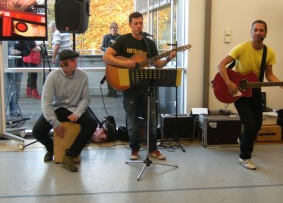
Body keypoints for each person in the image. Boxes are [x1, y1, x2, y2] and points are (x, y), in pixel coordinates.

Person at [217, 20, 283, 170]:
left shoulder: (268, 52)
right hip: (238, 91)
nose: (258, 33)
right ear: (251, 32)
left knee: (257, 125)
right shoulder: (241, 48)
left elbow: (269, 75)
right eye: (255, 30)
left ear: (266, 33)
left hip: (255, 90)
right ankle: (244, 157)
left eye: (261, 30)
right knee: (250, 125)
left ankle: (242, 139)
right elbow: (221, 65)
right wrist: (229, 83)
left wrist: (281, 83)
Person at [103, 11, 176, 160]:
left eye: (141, 23)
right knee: (132, 120)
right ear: (130, 24)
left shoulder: (148, 44)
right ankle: (134, 149)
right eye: (135, 23)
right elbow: (106, 56)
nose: (139, 26)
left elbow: (157, 64)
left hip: (145, 88)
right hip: (129, 87)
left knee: (151, 120)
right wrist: (126, 63)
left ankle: (153, 149)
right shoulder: (123, 40)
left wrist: (168, 58)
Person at [32, 49, 98, 172]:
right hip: (57, 108)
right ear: (63, 63)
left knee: (92, 123)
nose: (76, 63)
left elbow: (86, 98)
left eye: (76, 60)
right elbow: (46, 103)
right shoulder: (52, 77)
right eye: (72, 61)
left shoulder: (82, 75)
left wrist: (77, 113)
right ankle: (52, 148)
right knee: (37, 131)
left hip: (75, 107)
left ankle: (70, 155)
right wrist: (55, 123)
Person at [7, 40, 34, 117]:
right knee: (5, 88)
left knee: (16, 89)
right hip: (4, 66)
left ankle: (13, 109)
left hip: (18, 66)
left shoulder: (20, 38)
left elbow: (27, 51)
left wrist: (19, 52)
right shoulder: (4, 39)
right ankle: (4, 110)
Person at [101, 22, 121, 98]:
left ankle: (117, 89)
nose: (115, 29)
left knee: (118, 75)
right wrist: (108, 50)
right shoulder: (106, 37)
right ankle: (112, 91)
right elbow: (102, 47)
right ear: (110, 29)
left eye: (116, 27)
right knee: (109, 75)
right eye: (113, 28)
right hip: (109, 59)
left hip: (118, 59)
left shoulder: (120, 37)